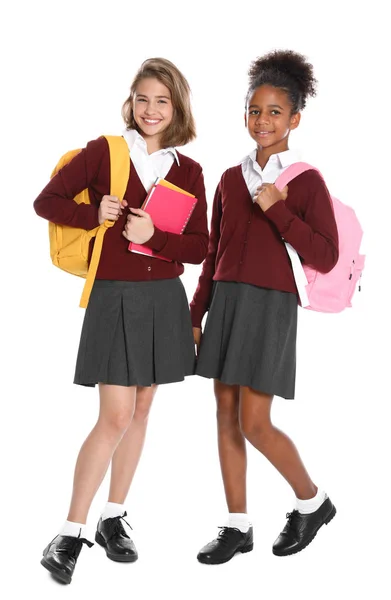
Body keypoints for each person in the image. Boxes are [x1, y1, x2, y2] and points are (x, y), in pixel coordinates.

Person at [34, 57, 208, 584]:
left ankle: (113, 517)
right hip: (114, 296)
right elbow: (46, 201)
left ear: (176, 107)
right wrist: (96, 215)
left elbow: (199, 248)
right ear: (130, 102)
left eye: (162, 100)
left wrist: (153, 237)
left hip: (163, 300)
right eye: (142, 99)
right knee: (114, 415)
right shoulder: (104, 152)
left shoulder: (188, 170)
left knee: (142, 409)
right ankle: (69, 532)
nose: (151, 110)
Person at [190, 49, 338, 564]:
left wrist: (280, 212)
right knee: (225, 416)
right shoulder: (230, 179)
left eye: (275, 111)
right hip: (226, 303)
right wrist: (194, 314)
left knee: (256, 421)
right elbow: (213, 253)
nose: (263, 120)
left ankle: (313, 502)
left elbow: (325, 253)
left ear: (295, 118)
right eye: (255, 110)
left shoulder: (305, 180)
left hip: (272, 306)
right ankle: (236, 525)